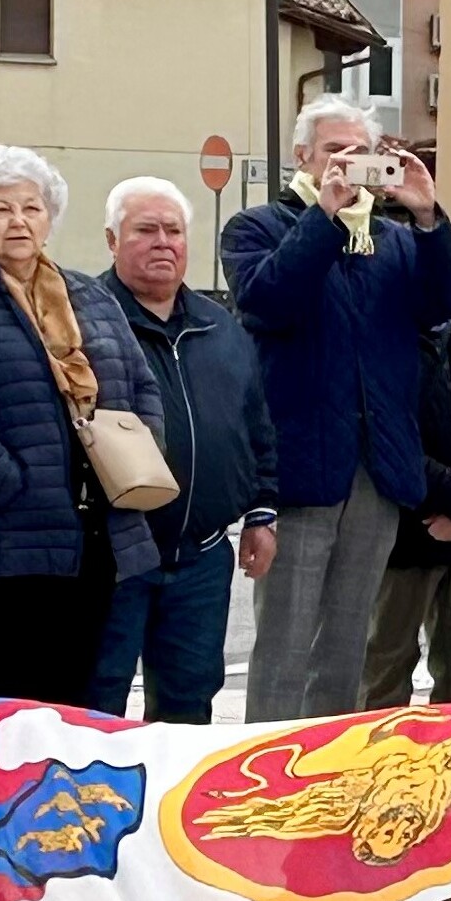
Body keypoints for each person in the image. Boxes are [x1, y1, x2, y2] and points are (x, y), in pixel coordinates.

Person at [220, 102, 451, 720]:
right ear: (302, 156)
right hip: (301, 464)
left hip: (377, 465)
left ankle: (327, 766)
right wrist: (324, 218)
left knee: (346, 643)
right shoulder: (258, 226)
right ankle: (267, 772)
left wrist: (427, 214)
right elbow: (267, 301)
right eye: (333, 151)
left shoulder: (391, 239)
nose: (346, 164)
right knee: (285, 640)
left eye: (358, 152)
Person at [0, 146, 166, 703]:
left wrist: (139, 457)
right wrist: (6, 479)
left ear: (50, 218)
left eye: (32, 208)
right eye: (1, 209)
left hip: (93, 537)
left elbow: (141, 385)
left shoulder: (89, 296)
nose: (19, 220)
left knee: (73, 703)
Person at [87, 179, 278, 723]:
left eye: (174, 230)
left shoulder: (221, 327)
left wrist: (262, 513)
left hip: (201, 556)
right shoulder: (87, 320)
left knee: (189, 703)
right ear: (111, 238)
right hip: (115, 552)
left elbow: (255, 425)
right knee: (98, 698)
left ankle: (168, 807)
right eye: (145, 230)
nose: (163, 242)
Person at [362, 311, 451, 705]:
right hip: (405, 532)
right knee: (384, 668)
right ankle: (375, 760)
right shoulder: (382, 333)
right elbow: (389, 441)